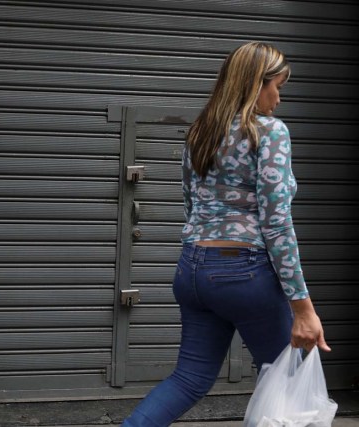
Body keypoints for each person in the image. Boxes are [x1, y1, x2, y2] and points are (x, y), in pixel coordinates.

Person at [121, 41, 331, 427]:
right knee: (290, 378)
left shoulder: (200, 131)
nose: (279, 98)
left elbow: (191, 203)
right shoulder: (269, 132)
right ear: (255, 84)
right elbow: (276, 222)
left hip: (192, 270)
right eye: (276, 87)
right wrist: (303, 308)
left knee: (189, 379)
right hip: (245, 271)